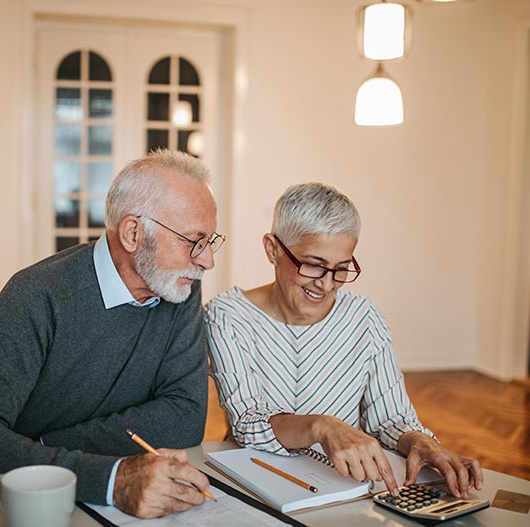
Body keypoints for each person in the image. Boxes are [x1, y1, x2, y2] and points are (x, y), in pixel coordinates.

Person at [0, 149, 226, 518]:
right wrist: (109, 477)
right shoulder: (37, 294)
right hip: (18, 507)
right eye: (193, 241)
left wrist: (41, 447)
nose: (207, 261)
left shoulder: (179, 288)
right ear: (133, 232)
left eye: (210, 241)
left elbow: (183, 419)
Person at [205, 182, 483, 499]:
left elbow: (391, 418)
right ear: (273, 249)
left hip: (346, 487)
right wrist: (321, 427)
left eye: (340, 269)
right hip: (257, 484)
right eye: (313, 264)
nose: (326, 284)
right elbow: (247, 423)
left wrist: (420, 441)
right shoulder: (228, 315)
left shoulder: (363, 317)